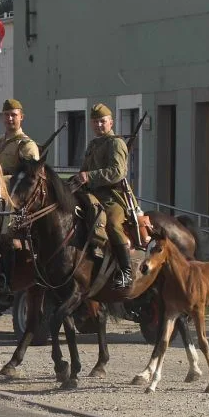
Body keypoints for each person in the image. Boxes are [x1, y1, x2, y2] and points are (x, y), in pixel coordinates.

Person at [71, 102, 132, 289]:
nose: (99, 125)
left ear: (111, 122)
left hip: (112, 196)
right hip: (90, 194)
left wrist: (90, 176)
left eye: (102, 121)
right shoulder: (93, 144)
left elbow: (117, 172)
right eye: (95, 122)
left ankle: (126, 270)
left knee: (112, 224)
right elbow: (84, 170)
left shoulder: (116, 143)